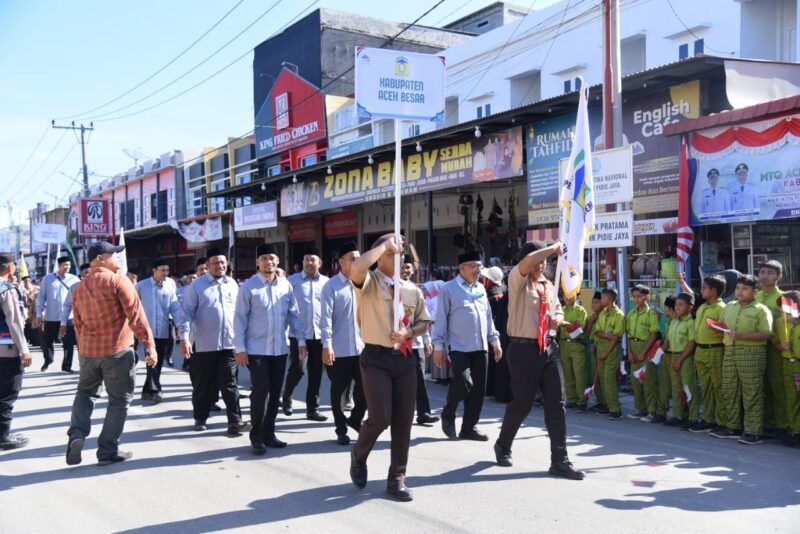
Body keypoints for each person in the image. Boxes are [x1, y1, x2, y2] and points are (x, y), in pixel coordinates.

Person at [348, 234, 431, 502]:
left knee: (404, 421)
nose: (400, 255)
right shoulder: (368, 283)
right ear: (379, 256)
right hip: (376, 358)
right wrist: (385, 244)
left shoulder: (411, 289)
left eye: (402, 252)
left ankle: (397, 478)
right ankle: (359, 454)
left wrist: (409, 332)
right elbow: (357, 268)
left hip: (405, 358)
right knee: (381, 417)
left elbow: (424, 323)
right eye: (393, 252)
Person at [494, 240, 584, 480]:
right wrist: (553, 248)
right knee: (522, 403)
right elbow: (526, 263)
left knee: (557, 403)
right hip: (523, 350)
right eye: (538, 260)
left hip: (548, 347)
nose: (541, 265)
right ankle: (503, 444)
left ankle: (560, 460)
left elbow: (557, 310)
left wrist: (557, 319)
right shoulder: (517, 280)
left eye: (544, 261)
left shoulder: (548, 285)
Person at [65, 241, 157, 466]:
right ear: (100, 259)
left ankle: (77, 434)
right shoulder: (118, 281)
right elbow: (136, 316)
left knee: (85, 394)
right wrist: (150, 345)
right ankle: (107, 451)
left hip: (89, 353)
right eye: (114, 255)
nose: (118, 259)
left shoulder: (79, 287)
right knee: (119, 401)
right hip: (116, 351)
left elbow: (77, 322)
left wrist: (84, 350)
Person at [234, 244, 305, 455]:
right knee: (261, 392)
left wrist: (300, 340)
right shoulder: (248, 287)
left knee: (275, 393)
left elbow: (294, 315)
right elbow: (239, 319)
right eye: (264, 258)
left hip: (279, 349)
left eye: (272, 258)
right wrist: (240, 348)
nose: (268, 262)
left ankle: (269, 434)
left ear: (278, 261)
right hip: (256, 349)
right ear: (258, 262)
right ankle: (256, 436)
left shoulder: (286, 286)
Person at [432, 251, 501, 441]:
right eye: (474, 266)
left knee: (478, 390)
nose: (478, 270)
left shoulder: (480, 288)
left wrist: (494, 341)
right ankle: (449, 411)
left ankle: (469, 427)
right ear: (462, 268)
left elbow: (487, 317)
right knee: (463, 382)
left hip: (480, 346)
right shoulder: (448, 289)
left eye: (480, 266)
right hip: (458, 346)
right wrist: (438, 345)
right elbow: (441, 319)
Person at [180, 248, 249, 435]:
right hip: (203, 345)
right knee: (203, 385)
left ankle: (235, 421)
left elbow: (241, 314)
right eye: (215, 263)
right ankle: (200, 417)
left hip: (229, 344)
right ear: (208, 265)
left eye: (222, 262)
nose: (220, 266)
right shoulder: (197, 286)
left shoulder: (233, 284)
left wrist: (243, 341)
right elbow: (186, 312)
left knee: (230, 383)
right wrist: (184, 338)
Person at [711, 275, 772, 444]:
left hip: (752, 352)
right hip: (730, 351)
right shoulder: (729, 306)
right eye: (738, 288)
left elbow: (766, 334)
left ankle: (753, 431)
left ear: (755, 291)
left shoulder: (761, 310)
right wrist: (716, 329)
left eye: (745, 289)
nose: (740, 292)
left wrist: (740, 335)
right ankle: (733, 426)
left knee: (752, 392)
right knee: (730, 389)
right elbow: (722, 327)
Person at [320, 242, 367, 445]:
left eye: (359, 258)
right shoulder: (331, 286)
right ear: (341, 262)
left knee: (366, 388)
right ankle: (340, 428)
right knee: (338, 390)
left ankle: (355, 419)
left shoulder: (365, 283)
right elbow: (325, 319)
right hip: (337, 350)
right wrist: (326, 345)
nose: (357, 262)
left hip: (361, 348)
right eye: (352, 259)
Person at [282, 248, 329, 421]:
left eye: (313, 260)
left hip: (319, 335)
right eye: (306, 260)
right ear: (302, 263)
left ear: (320, 263)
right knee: (299, 369)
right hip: (298, 334)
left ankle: (312, 408)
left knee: (316, 373)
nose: (309, 263)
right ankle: (287, 396)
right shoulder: (291, 282)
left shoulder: (326, 283)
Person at [137, 258, 182, 404]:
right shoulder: (141, 286)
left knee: (158, 361)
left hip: (163, 330)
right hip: (146, 331)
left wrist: (179, 323)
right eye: (162, 270)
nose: (166, 273)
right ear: (154, 270)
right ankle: (156, 390)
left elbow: (174, 306)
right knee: (151, 359)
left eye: (167, 270)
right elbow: (134, 308)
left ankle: (146, 391)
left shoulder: (170, 284)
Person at [400, 256, 438, 426]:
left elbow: (422, 318)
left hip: (415, 343)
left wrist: (427, 340)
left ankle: (423, 412)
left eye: (407, 267)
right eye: (401, 267)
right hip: (395, 343)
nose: (405, 270)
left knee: (420, 379)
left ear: (413, 269)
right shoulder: (388, 288)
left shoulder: (416, 291)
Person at [0, 255, 33, 450]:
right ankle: (3, 436)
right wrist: (24, 350)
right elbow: (14, 321)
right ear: (11, 268)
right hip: (6, 349)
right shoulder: (7, 289)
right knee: (7, 394)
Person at [692, 274, 727, 433]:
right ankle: (708, 419)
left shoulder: (722, 308)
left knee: (718, 386)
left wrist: (717, 331)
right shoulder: (702, 307)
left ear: (714, 291)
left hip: (715, 349)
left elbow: (726, 333)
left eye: (704, 288)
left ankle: (722, 421)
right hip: (700, 350)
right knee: (706, 387)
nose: (701, 290)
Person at [754, 260, 786, 438]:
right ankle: (766, 422)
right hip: (756, 348)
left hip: (776, 349)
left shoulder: (784, 297)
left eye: (770, 272)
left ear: (779, 277)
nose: (765, 275)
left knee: (778, 386)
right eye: (763, 272)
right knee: (760, 387)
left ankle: (782, 425)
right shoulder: (754, 296)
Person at [35, 256, 78, 372]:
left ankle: (67, 366)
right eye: (65, 265)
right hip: (51, 317)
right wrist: (39, 314)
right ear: (58, 266)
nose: (67, 267)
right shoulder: (47, 279)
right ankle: (48, 360)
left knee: (68, 343)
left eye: (69, 265)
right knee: (47, 341)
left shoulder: (74, 280)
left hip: (68, 317)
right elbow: (41, 298)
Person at [662, 292, 698, 430]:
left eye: (681, 305)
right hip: (672, 356)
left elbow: (691, 343)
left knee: (688, 387)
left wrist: (680, 360)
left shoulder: (690, 322)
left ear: (690, 307)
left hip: (685, 357)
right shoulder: (674, 321)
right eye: (676, 304)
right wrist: (659, 353)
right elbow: (669, 341)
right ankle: (678, 415)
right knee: (676, 388)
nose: (677, 307)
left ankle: (693, 417)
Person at [625, 284, 661, 421]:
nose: (636, 299)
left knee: (648, 380)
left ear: (646, 297)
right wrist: (629, 351)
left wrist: (644, 352)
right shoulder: (631, 313)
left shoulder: (651, 313)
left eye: (639, 296)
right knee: (636, 380)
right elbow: (628, 334)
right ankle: (640, 408)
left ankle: (652, 411)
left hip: (646, 346)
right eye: (633, 296)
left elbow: (654, 334)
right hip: (633, 346)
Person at [594, 287, 625, 421]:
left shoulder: (618, 315)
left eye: (602, 297)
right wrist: (608, 335)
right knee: (602, 377)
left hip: (612, 350)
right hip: (601, 347)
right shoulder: (603, 313)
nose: (601, 300)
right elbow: (598, 331)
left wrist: (606, 350)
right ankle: (606, 404)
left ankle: (615, 409)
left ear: (609, 298)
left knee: (609, 378)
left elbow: (616, 337)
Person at [774, 290, 800, 447]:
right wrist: (780, 346)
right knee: (791, 399)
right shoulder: (779, 323)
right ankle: (794, 431)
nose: (785, 316)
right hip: (788, 364)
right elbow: (774, 343)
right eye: (782, 312)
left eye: (787, 312)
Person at [558, 293, 588, 412]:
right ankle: (572, 399)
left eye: (570, 296)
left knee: (579, 374)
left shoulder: (581, 310)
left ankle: (582, 401)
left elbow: (579, 329)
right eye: (565, 296)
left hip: (576, 343)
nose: (567, 298)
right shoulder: (561, 310)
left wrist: (564, 324)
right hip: (564, 343)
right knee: (568, 373)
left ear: (576, 296)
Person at [656, 296, 677, 424]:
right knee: (664, 384)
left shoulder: (677, 321)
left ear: (669, 308)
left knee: (675, 386)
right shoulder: (668, 321)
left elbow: (669, 342)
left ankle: (679, 414)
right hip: (666, 355)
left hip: (674, 355)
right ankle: (661, 411)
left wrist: (658, 352)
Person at [585, 291, 605, 413]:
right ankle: (600, 401)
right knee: (595, 377)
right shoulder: (590, 317)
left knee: (603, 377)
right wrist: (591, 322)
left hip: (601, 347)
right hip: (592, 347)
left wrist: (596, 344)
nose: (594, 305)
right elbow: (586, 334)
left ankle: (607, 403)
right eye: (593, 302)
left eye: (597, 302)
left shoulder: (604, 316)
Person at [20, 276, 38, 346]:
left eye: (28, 281)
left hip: (33, 309)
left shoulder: (35, 289)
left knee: (33, 325)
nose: (27, 282)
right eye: (25, 281)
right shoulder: (21, 290)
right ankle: (27, 339)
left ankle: (34, 340)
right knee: (26, 325)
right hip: (25, 309)